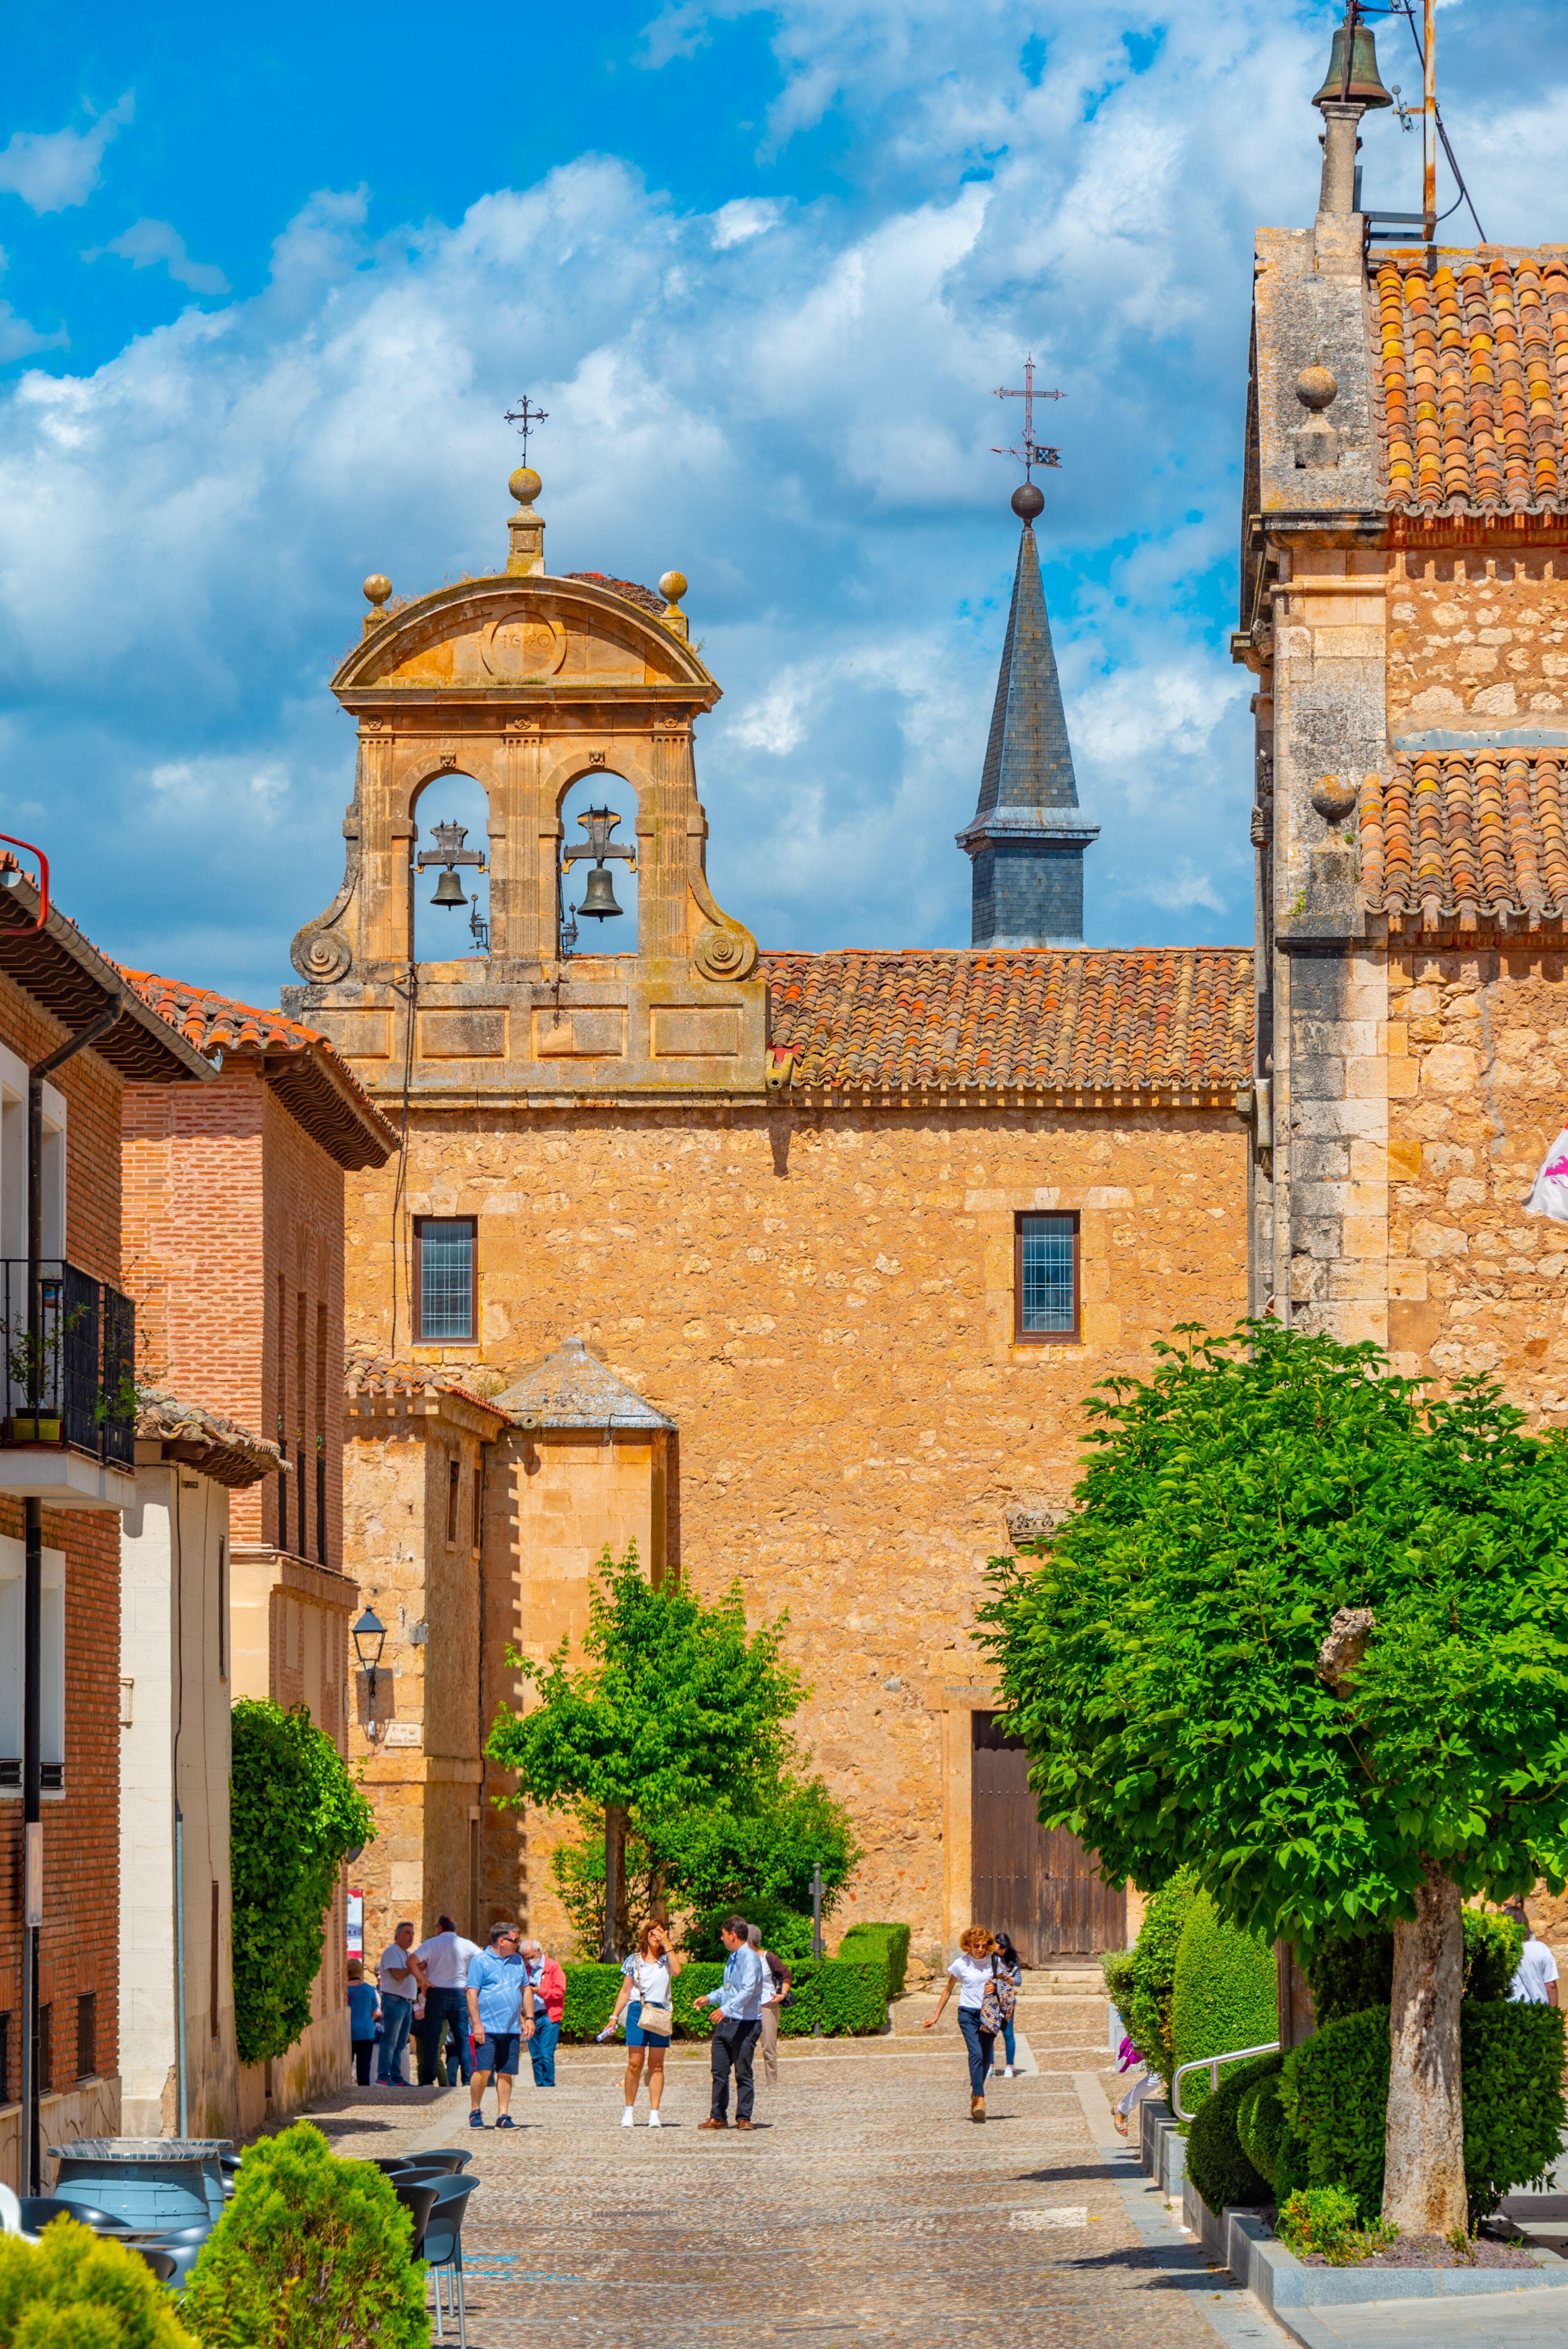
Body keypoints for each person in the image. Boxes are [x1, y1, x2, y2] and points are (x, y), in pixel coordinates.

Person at [598, 1919, 685, 2126]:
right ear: (646, 1935)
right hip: (638, 2010)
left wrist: (668, 1945)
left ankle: (654, 2113)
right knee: (635, 2063)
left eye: (661, 1934)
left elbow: (678, 1971)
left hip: (660, 2012)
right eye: (654, 1933)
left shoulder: (667, 1959)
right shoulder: (633, 1960)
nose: (657, 1937)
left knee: (656, 2065)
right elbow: (626, 1991)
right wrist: (613, 2017)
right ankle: (629, 2111)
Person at [691, 1914, 766, 2131]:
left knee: (743, 2072)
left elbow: (747, 1991)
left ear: (733, 1935)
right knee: (719, 2072)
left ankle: (744, 2118)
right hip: (727, 2023)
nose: (721, 1938)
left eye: (723, 1935)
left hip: (746, 2023)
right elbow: (728, 1990)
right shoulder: (732, 1958)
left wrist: (724, 2010)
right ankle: (718, 2117)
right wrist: (710, 1998)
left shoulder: (750, 1960)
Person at [923, 1925, 1001, 2121]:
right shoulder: (961, 1964)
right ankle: (981, 2098)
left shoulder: (994, 1962)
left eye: (984, 1945)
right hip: (967, 2014)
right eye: (976, 1945)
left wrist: (996, 1986)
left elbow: (1006, 1984)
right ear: (968, 1944)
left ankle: (975, 2094)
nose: (980, 1949)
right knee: (975, 2053)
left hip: (988, 2015)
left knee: (985, 2059)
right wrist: (936, 2016)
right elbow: (948, 1990)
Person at [465, 1919, 533, 2129]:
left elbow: (526, 1989)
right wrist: (477, 2024)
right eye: (515, 1940)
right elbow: (472, 1993)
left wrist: (529, 2017)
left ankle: (503, 2116)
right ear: (501, 1941)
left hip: (511, 2027)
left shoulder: (518, 1961)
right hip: (487, 2028)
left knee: (506, 2072)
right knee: (483, 2071)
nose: (518, 1943)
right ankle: (475, 2111)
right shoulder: (480, 1962)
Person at [413, 1914, 482, 2088]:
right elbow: (483, 1961)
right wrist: (472, 1982)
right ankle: (468, 2080)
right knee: (463, 2037)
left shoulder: (432, 1943)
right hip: (460, 1992)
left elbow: (411, 1961)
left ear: (440, 1928)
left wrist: (423, 1980)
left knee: (432, 2038)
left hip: (437, 1992)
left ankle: (428, 2080)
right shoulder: (467, 1944)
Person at [375, 1921, 426, 2084]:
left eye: (412, 1933)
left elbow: (411, 1979)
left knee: (400, 2043)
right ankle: (383, 2076)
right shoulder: (392, 1952)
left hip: (406, 2003)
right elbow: (397, 1975)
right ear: (398, 1935)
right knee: (390, 2041)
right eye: (407, 1933)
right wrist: (413, 1968)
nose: (411, 1936)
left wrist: (420, 1968)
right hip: (395, 2001)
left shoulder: (407, 1955)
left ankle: (396, 2077)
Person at [748, 1922, 792, 2090]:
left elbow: (786, 1974)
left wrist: (783, 1994)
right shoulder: (741, 1958)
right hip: (748, 2007)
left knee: (768, 2046)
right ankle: (747, 2083)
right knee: (747, 2047)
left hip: (767, 2006)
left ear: (750, 1943)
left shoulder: (768, 1958)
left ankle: (772, 2084)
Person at [522, 1937, 568, 2087]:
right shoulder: (526, 1970)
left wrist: (539, 1991)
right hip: (532, 2017)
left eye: (532, 1957)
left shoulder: (553, 1967)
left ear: (540, 1952)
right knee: (536, 2056)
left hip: (550, 2016)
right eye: (527, 1958)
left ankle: (548, 2085)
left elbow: (560, 1991)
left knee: (546, 2055)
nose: (530, 1960)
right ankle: (540, 2085)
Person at [1506, 1903, 1561, 2006]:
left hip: (1507, 2010)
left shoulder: (1501, 1951)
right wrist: (1554, 2014)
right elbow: (1550, 1985)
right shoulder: (1541, 1949)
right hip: (1537, 2011)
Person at [989, 1930, 1022, 2079]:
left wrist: (1008, 1979)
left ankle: (1010, 2066)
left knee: (1008, 2033)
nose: (1001, 1951)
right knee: (989, 2033)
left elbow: (1019, 1981)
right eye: (999, 1948)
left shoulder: (1012, 1959)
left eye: (1003, 1949)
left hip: (1008, 2000)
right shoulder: (989, 1957)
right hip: (992, 1998)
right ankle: (990, 2066)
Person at [346, 1958, 380, 2087]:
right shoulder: (368, 1989)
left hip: (349, 2032)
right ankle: (364, 2092)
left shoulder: (344, 1990)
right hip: (367, 2032)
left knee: (347, 2066)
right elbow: (375, 2012)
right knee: (364, 2067)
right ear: (360, 1971)